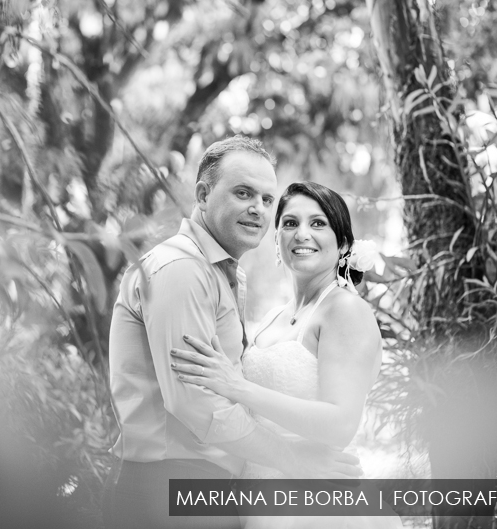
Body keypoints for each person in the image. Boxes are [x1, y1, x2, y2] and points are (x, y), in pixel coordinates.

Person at [104, 141, 361, 529]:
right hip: (168, 486)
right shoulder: (182, 270)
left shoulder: (220, 274)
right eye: (243, 193)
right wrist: (295, 460)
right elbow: (197, 404)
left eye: (267, 198)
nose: (258, 208)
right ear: (203, 195)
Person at [171, 181, 403, 528]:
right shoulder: (271, 319)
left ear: (342, 244)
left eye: (318, 223)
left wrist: (237, 387)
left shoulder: (344, 311)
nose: (302, 234)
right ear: (277, 238)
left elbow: (340, 424)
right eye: (290, 223)